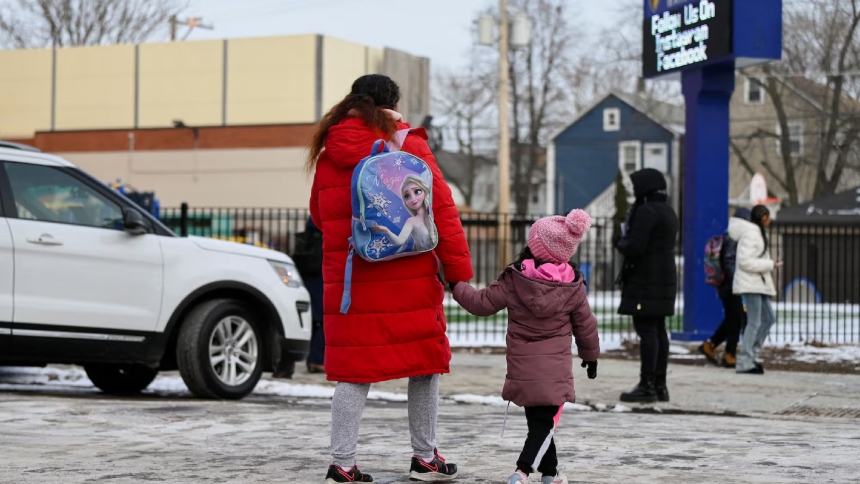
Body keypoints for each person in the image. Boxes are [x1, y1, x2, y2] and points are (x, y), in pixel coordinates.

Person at [307, 74, 473, 483]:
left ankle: (342, 464)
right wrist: (458, 275)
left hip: (351, 279)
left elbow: (319, 216)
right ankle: (425, 458)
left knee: (354, 372)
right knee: (424, 366)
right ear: (392, 104)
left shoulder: (329, 151)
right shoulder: (407, 144)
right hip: (410, 277)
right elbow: (442, 212)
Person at [451, 210, 600, 484]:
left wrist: (455, 285)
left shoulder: (515, 279)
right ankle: (521, 472)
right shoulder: (573, 285)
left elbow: (479, 303)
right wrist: (591, 357)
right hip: (555, 368)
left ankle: (551, 474)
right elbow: (585, 324)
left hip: (523, 366)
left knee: (539, 422)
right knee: (544, 423)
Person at [615, 168, 679, 403]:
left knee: (647, 330)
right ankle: (660, 385)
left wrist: (620, 241)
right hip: (665, 275)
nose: (634, 191)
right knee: (659, 329)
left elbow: (635, 247)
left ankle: (646, 385)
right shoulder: (668, 211)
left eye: (635, 186)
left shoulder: (646, 211)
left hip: (646, 278)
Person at [730, 204, 780, 375]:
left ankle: (750, 354)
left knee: (769, 318)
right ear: (761, 218)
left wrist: (769, 265)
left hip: (758, 283)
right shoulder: (752, 234)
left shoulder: (757, 233)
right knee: (754, 322)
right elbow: (744, 261)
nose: (769, 220)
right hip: (751, 283)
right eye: (766, 216)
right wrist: (769, 264)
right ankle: (745, 360)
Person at [698, 208, 751, 369]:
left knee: (733, 318)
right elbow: (730, 261)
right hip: (732, 285)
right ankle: (729, 354)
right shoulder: (734, 238)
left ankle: (711, 345)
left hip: (726, 284)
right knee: (736, 319)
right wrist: (738, 280)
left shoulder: (730, 236)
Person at [291, 217, 326, 374]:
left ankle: (313, 358)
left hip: (310, 273)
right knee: (324, 318)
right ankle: (317, 359)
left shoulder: (310, 231)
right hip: (320, 274)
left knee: (313, 319)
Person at [371, 173, 438, 251]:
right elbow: (399, 242)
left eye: (417, 191)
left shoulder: (433, 211)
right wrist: (386, 230)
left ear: (425, 190)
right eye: (407, 196)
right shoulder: (412, 221)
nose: (413, 199)